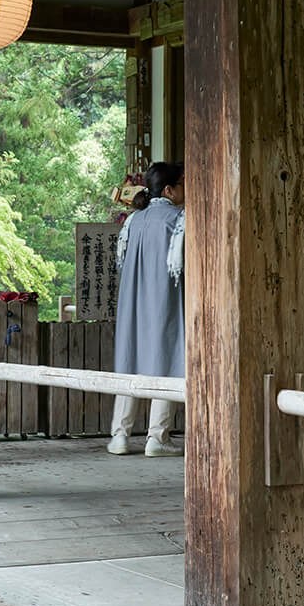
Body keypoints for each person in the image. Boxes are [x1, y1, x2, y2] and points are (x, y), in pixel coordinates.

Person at [109, 161, 185, 457]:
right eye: (182, 182)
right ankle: (157, 436)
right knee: (166, 357)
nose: (185, 188)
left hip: (133, 300)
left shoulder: (132, 221)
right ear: (169, 189)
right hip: (166, 296)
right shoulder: (180, 219)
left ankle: (120, 434)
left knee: (132, 358)